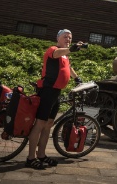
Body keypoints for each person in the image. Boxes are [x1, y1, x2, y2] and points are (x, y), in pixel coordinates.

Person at [26, 29, 85, 169]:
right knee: (40, 124)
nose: (68, 39)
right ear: (58, 38)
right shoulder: (53, 50)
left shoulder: (65, 55)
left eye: (70, 38)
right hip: (47, 91)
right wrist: (71, 49)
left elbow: (68, 67)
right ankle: (30, 158)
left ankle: (41, 155)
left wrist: (77, 78)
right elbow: (56, 54)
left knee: (49, 124)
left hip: (56, 92)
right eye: (65, 37)